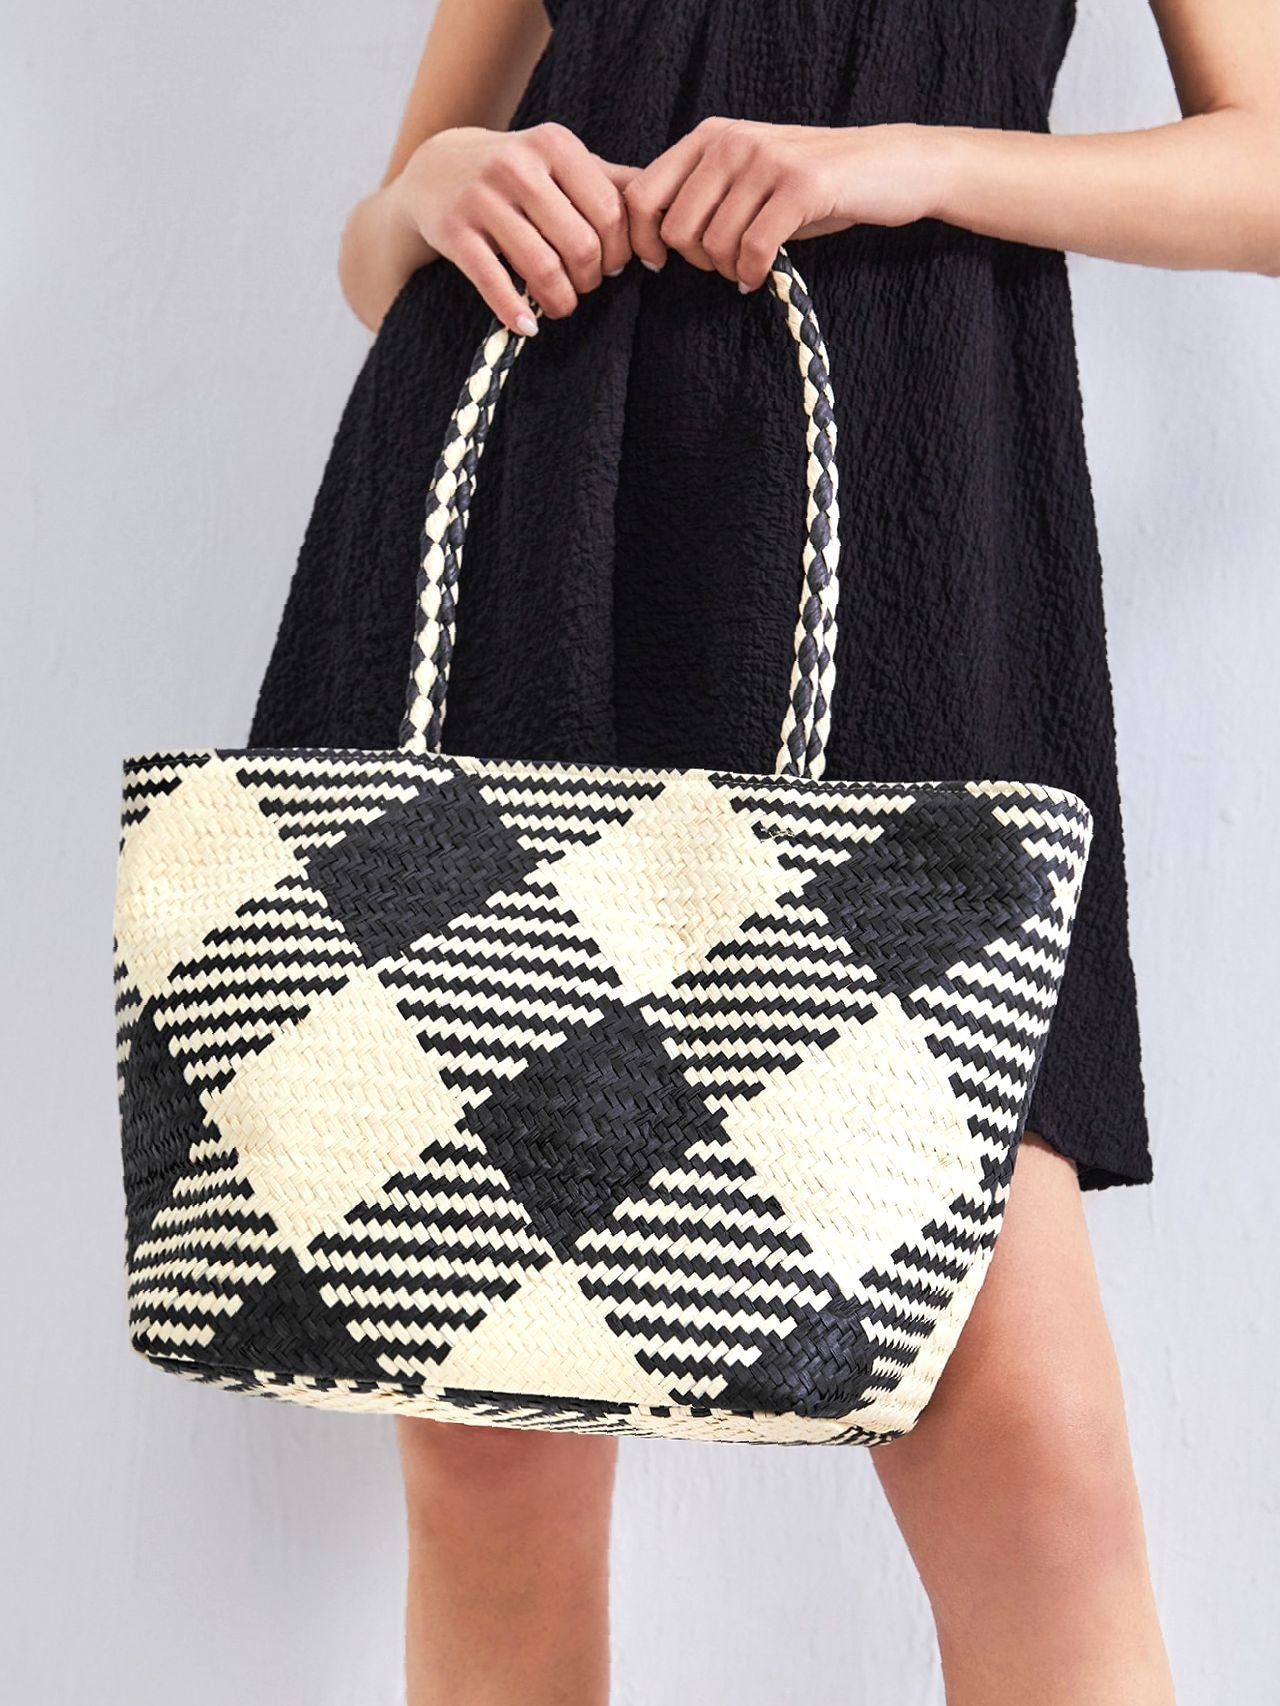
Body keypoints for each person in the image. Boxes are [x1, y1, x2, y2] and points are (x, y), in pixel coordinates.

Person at [246, 2, 1280, 1701]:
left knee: (1028, 1446)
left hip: (905, 541)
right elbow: (382, 245)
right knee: (488, 1440)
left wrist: (911, 166)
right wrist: (431, 195)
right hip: (537, 524)